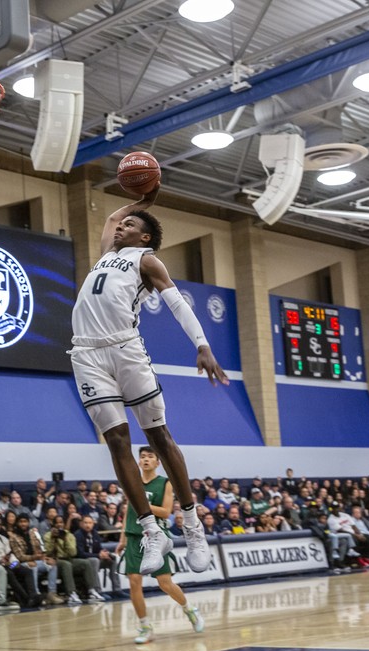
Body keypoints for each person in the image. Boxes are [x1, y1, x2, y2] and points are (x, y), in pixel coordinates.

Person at [68, 184, 226, 577]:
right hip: (86, 353)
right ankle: (152, 530)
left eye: (130, 223)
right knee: (117, 441)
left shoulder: (147, 261)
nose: (120, 226)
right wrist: (140, 202)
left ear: (145, 237)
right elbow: (107, 218)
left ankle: (191, 525)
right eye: (121, 224)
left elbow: (178, 305)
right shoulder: (108, 253)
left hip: (125, 349)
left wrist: (202, 345)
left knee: (158, 435)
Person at [117, 447, 204, 644]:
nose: (145, 459)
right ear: (138, 462)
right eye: (142, 457)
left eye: (150, 457)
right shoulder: (132, 482)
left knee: (164, 583)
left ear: (157, 462)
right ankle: (145, 626)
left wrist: (141, 503)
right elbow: (128, 511)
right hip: (133, 536)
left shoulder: (164, 483)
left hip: (156, 537)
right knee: (134, 582)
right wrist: (122, 538)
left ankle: (189, 609)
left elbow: (165, 512)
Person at [43, 515, 99, 605]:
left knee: (85, 563)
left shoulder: (69, 535)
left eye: (61, 522)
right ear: (53, 525)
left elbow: (73, 553)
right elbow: (48, 551)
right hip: (56, 561)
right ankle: (72, 593)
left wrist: (65, 539)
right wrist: (53, 539)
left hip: (69, 559)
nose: (59, 525)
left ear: (64, 524)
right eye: (56, 523)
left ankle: (91, 590)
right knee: (66, 564)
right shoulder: (47, 536)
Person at [9, 513, 62, 606]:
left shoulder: (33, 534)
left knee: (52, 564)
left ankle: (52, 593)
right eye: (21, 522)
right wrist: (34, 558)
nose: (23, 524)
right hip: (20, 564)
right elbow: (19, 557)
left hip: (36, 560)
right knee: (32, 567)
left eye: (25, 522)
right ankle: (37, 595)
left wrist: (44, 558)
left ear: (29, 523)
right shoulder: (13, 537)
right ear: (17, 523)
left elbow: (40, 549)